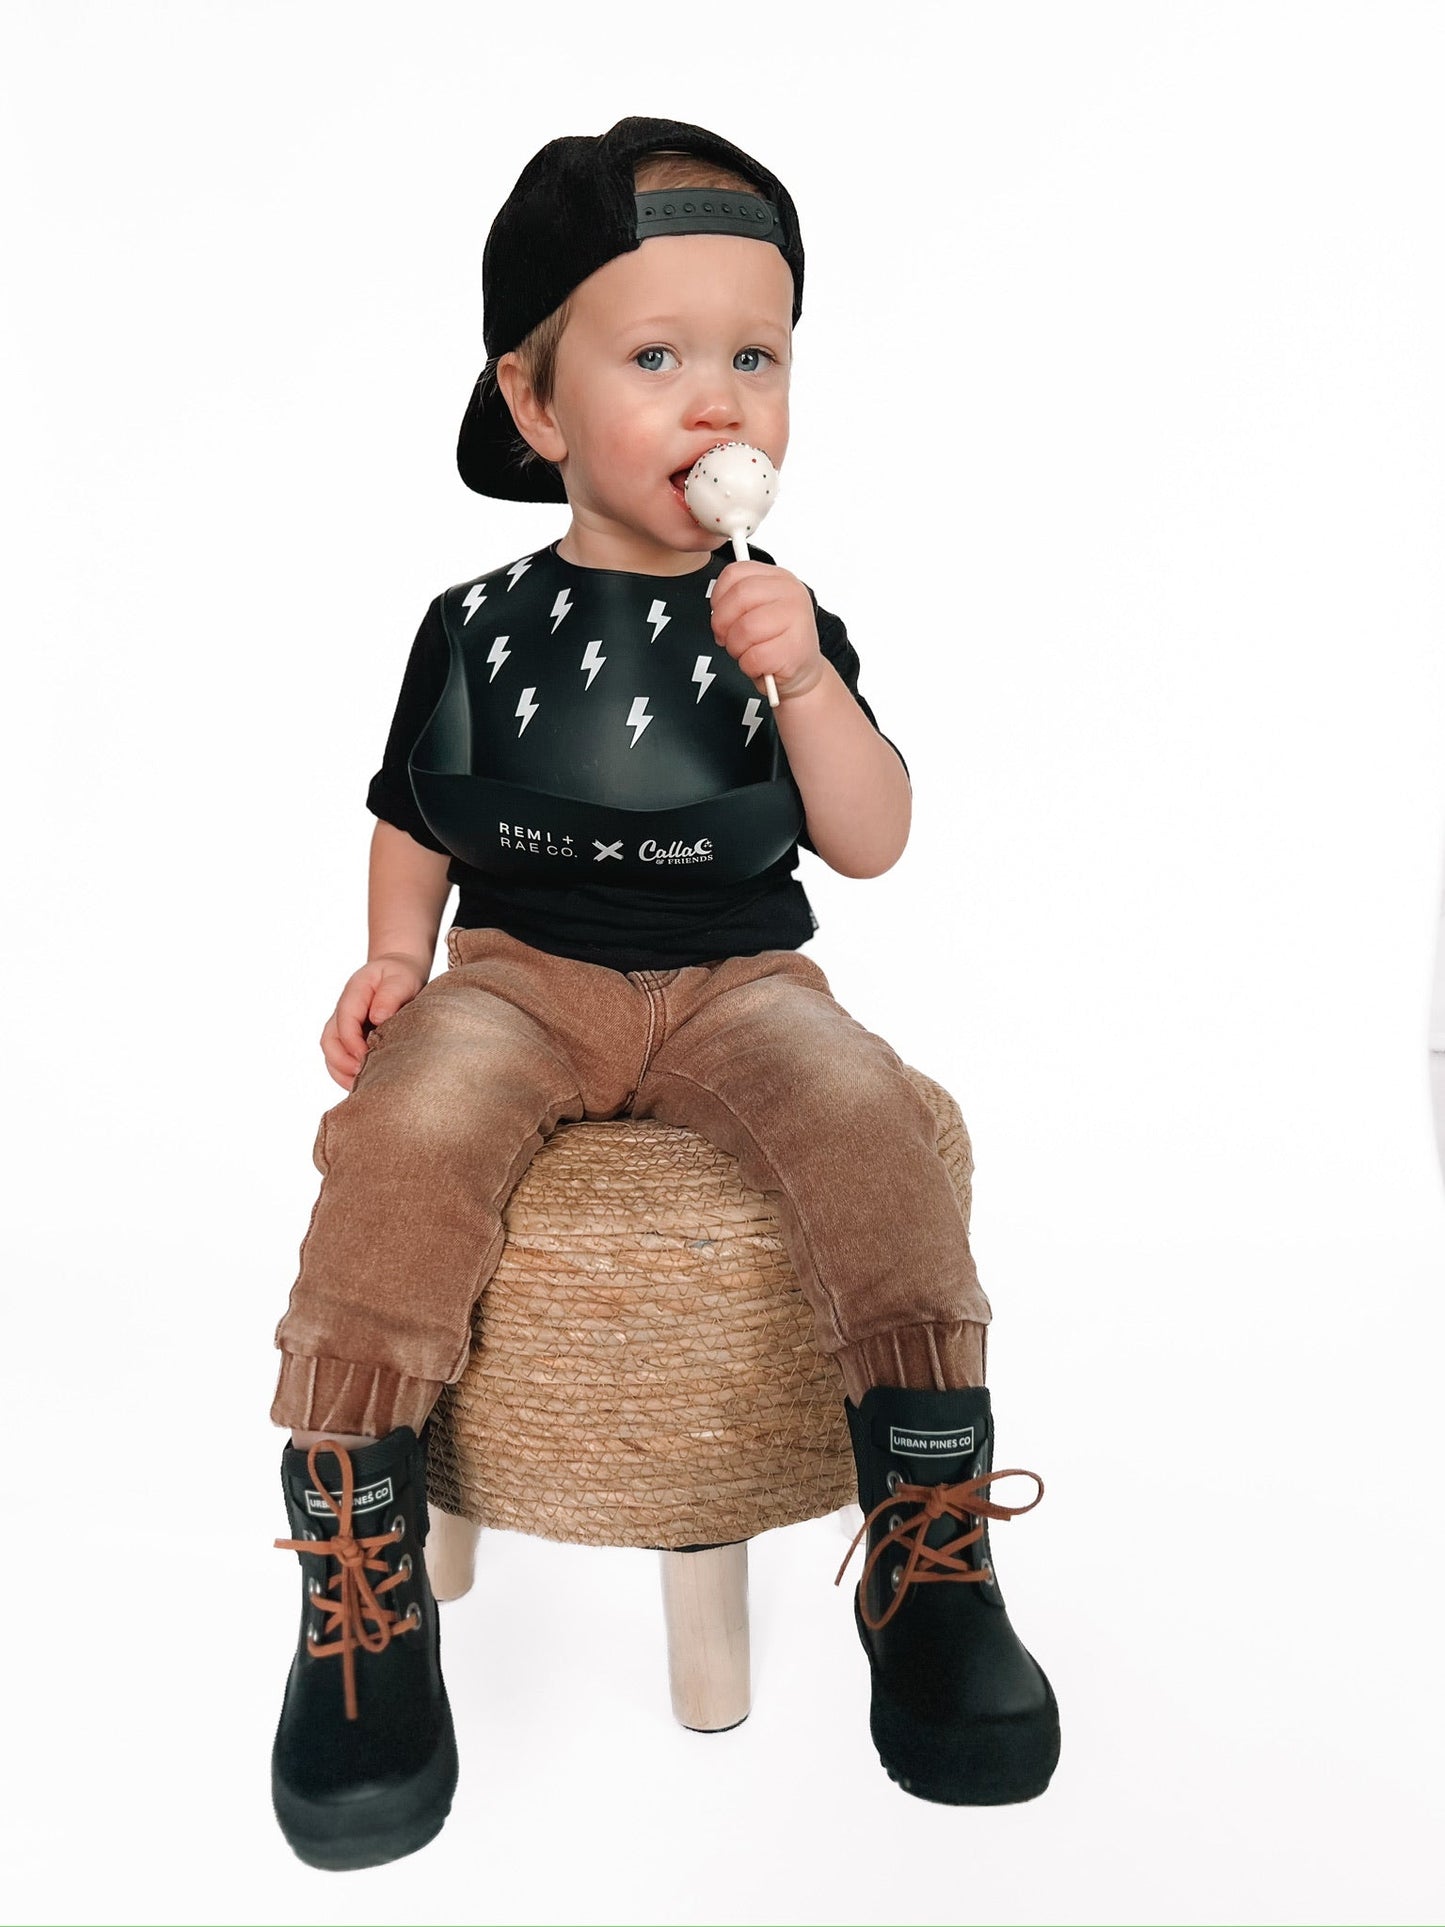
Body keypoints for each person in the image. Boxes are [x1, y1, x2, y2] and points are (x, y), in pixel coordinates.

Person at [269, 114, 1060, 1871]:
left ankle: (929, 1526)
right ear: (536, 402)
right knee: (400, 1136)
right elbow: (412, 812)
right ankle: (356, 1547)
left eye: (755, 359)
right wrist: (395, 956)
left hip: (735, 977)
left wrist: (806, 691)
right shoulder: (475, 620)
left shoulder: (777, 614)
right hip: (517, 976)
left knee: (868, 1118)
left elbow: (872, 841)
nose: (718, 400)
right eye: (655, 359)